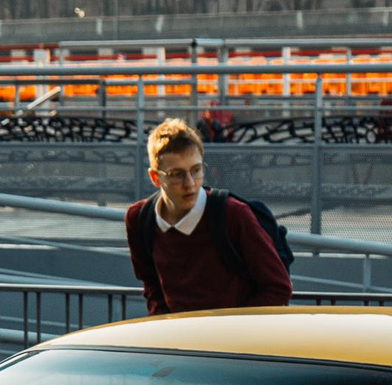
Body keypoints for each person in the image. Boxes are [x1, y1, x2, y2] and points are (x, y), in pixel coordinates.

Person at [122, 119, 292, 316]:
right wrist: (165, 325)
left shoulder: (233, 214)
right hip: (177, 340)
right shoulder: (139, 219)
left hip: (232, 341)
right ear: (155, 178)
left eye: (196, 170)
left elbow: (278, 287)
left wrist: (232, 331)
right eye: (177, 174)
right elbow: (151, 284)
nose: (190, 183)